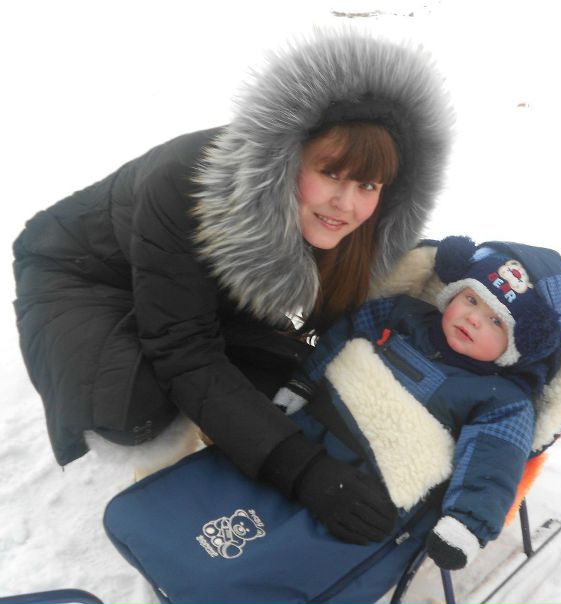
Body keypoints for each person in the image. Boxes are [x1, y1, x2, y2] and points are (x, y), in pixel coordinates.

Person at [12, 29, 454, 546]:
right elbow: (184, 350)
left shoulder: (344, 220)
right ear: (288, 157)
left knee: (286, 356)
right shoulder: (184, 183)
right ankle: (165, 488)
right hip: (85, 270)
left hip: (179, 275)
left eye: (368, 185)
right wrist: (303, 470)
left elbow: (316, 320)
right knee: (135, 403)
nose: (347, 204)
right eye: (332, 173)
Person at [271, 236, 561, 569]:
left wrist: (467, 523)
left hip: (373, 494)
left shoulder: (503, 400)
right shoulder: (401, 314)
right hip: (305, 439)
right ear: (454, 292)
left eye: (497, 321)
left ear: (519, 344)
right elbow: (345, 333)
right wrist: (304, 383)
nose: (474, 319)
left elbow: (494, 463)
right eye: (472, 299)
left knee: (288, 561)